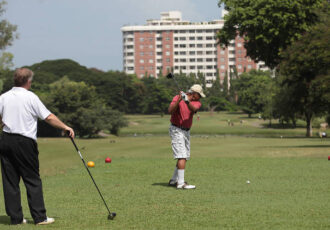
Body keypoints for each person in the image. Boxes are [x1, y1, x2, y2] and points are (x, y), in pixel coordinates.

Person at [0, 68, 74, 225]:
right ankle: (40, 217)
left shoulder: (4, 97)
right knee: (32, 179)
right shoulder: (30, 97)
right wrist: (65, 127)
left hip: (5, 140)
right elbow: (48, 117)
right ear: (28, 81)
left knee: (10, 180)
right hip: (24, 142)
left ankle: (16, 218)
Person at [168, 84, 205, 189]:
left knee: (184, 157)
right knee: (182, 156)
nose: (201, 97)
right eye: (200, 95)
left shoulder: (197, 102)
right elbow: (170, 111)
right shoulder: (177, 97)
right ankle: (180, 183)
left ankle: (173, 180)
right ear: (194, 94)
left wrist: (186, 101)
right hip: (176, 129)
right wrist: (179, 100)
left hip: (186, 132)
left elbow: (193, 109)